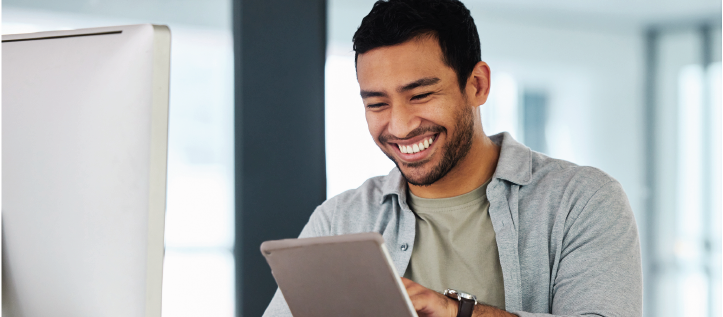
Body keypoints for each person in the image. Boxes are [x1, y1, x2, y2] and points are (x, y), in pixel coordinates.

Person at [263, 0, 642, 316]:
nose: (400, 125)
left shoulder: (582, 201)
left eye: (421, 95)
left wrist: (457, 312)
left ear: (477, 84)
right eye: (377, 103)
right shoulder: (339, 221)